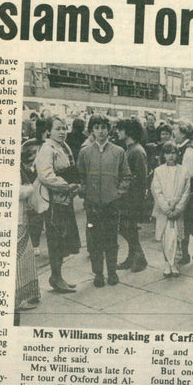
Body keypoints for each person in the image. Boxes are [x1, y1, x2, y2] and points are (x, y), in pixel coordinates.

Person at [77, 115, 132, 287]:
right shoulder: (85, 152)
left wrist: (118, 192)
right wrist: (84, 192)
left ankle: (112, 272)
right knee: (94, 241)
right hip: (93, 204)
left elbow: (127, 176)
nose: (100, 131)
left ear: (109, 129)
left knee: (111, 239)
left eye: (103, 127)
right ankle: (98, 273)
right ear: (92, 130)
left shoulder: (118, 152)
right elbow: (80, 177)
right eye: (96, 127)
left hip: (111, 204)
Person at [34, 117, 81, 293]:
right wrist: (66, 185)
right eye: (58, 129)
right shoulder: (47, 149)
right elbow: (45, 175)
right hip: (54, 202)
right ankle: (55, 277)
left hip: (63, 200)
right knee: (56, 240)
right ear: (49, 131)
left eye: (64, 128)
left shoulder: (61, 147)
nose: (62, 132)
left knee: (63, 239)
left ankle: (58, 276)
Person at [151, 142, 191, 278]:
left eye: (173, 153)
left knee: (176, 237)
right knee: (165, 236)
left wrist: (178, 208)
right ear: (163, 155)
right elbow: (157, 191)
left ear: (177, 154)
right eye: (168, 153)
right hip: (164, 210)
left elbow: (186, 191)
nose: (171, 156)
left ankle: (174, 263)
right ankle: (167, 263)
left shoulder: (184, 171)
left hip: (177, 210)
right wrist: (166, 209)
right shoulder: (159, 170)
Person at [118, 119, 149, 272]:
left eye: (120, 129)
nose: (117, 132)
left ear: (128, 131)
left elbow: (141, 179)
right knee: (127, 227)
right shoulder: (131, 149)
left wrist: (137, 199)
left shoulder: (136, 151)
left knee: (126, 227)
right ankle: (132, 258)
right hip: (128, 197)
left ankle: (139, 256)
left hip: (132, 198)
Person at [173, 120, 193, 265]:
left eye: (177, 131)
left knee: (184, 222)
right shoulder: (183, 147)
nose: (174, 133)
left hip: (188, 192)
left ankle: (185, 254)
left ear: (184, 133)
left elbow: (190, 173)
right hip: (187, 191)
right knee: (190, 222)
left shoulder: (189, 149)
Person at [16, 140, 42, 312]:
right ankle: (18, 300)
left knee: (25, 257)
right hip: (17, 219)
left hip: (21, 217)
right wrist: (29, 189)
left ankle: (26, 294)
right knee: (20, 259)